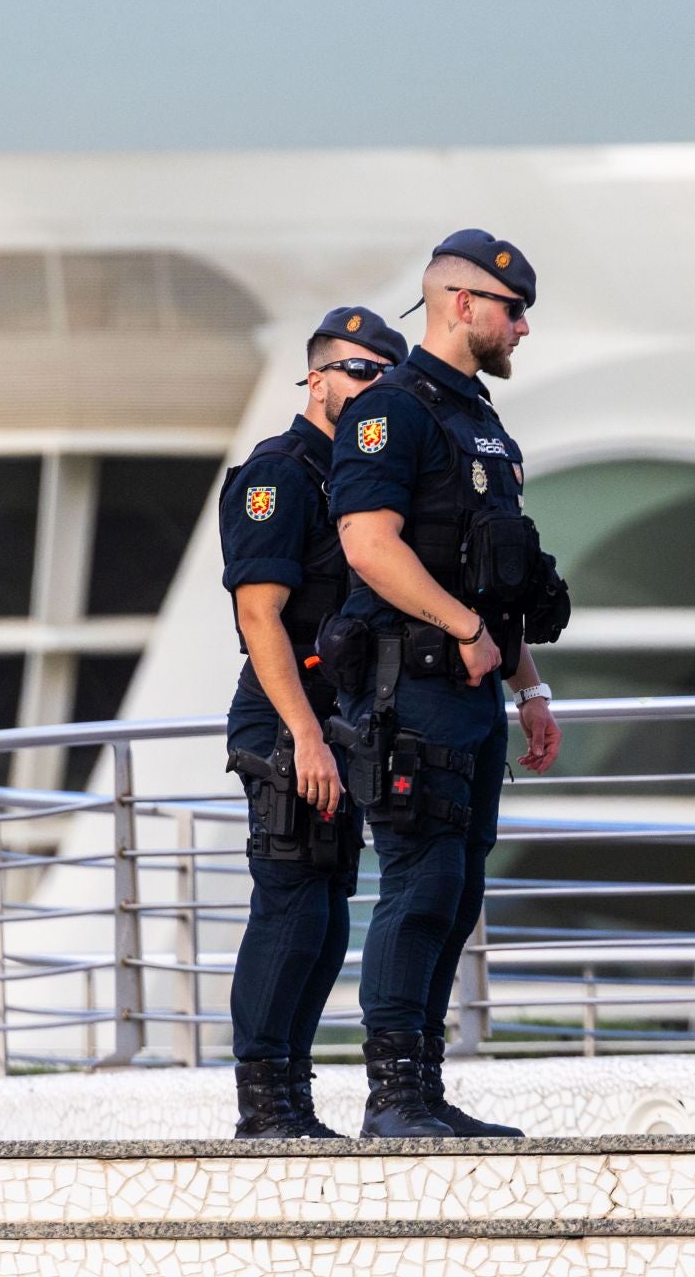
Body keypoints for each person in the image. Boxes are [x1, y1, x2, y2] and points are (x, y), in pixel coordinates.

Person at [322, 231, 568, 1138]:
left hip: (471, 699)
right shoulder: (391, 411)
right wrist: (464, 630)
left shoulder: (481, 421)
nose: (523, 328)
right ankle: (391, 1098)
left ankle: (423, 1090)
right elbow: (368, 545)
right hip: (413, 689)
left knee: (458, 892)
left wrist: (528, 689)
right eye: (513, 311)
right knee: (421, 885)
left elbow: (493, 579)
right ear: (462, 304)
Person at [219, 305, 406, 1139]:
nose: (370, 389)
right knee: (291, 903)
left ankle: (293, 1097)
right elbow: (259, 616)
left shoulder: (362, 481)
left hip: (338, 719)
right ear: (316, 377)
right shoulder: (280, 474)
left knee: (328, 911)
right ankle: (263, 1106)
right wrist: (303, 736)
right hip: (284, 718)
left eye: (385, 377)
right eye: (357, 371)